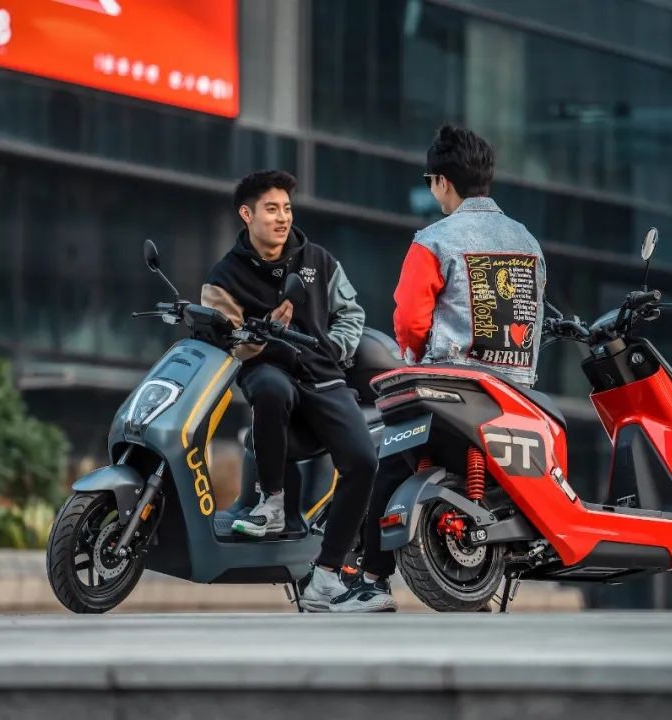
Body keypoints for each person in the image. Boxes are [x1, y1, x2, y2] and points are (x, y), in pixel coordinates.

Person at [337, 125, 547, 612]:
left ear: (441, 183)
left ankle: (371, 577)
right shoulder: (529, 243)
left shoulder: (434, 240)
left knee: (386, 463)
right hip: (516, 396)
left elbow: (409, 319)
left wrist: (412, 358)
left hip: (451, 389)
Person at [200, 170, 378, 612]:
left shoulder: (317, 259)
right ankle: (273, 501)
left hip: (322, 375)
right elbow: (227, 338)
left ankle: (326, 577)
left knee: (363, 461)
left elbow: (351, 312)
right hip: (268, 373)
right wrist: (261, 338)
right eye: (272, 209)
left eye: (287, 208)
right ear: (247, 214)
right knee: (269, 388)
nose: (282, 218)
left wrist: (333, 348)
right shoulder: (225, 276)